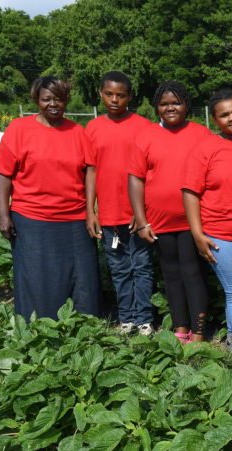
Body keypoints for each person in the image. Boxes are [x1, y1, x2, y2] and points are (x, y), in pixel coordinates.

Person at [0, 76, 102, 321]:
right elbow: (3, 174)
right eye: (46, 99)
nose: (53, 104)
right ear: (36, 100)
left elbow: (90, 173)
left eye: (59, 99)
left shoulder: (78, 133)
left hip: (74, 218)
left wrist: (90, 212)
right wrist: (3, 214)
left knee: (81, 277)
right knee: (37, 275)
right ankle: (40, 326)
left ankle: (83, 326)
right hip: (31, 217)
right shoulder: (19, 129)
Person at [128, 81, 212, 343]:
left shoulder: (202, 134)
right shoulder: (146, 136)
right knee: (171, 276)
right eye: (164, 104)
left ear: (186, 104)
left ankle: (198, 333)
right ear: (157, 107)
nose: (170, 108)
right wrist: (141, 222)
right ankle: (180, 328)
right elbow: (135, 179)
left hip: (193, 221)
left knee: (192, 272)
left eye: (176, 102)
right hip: (160, 221)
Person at [183, 88, 232, 352]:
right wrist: (197, 234)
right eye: (224, 115)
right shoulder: (205, 149)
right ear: (214, 120)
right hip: (219, 234)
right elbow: (190, 193)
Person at [85, 71, 154, 335]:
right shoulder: (92, 128)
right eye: (109, 94)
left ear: (130, 96)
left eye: (121, 95)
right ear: (101, 94)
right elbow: (90, 171)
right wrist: (90, 210)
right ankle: (126, 318)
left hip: (137, 215)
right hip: (109, 215)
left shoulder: (144, 126)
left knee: (142, 267)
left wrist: (143, 213)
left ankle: (145, 318)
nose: (115, 100)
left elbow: (149, 173)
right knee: (120, 269)